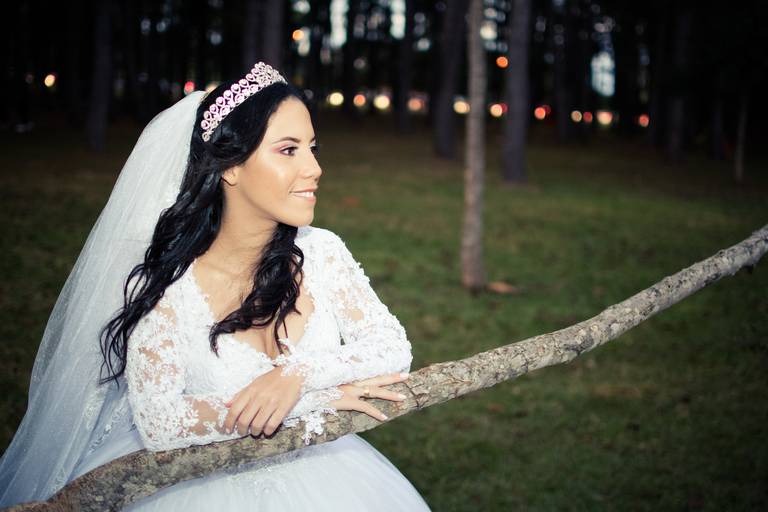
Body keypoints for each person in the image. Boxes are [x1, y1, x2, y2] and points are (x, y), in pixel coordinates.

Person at [0, 61, 431, 511]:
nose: (314, 168)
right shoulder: (168, 284)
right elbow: (160, 421)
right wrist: (315, 400)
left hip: (331, 478)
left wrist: (297, 376)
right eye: (288, 150)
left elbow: (391, 347)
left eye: (312, 148)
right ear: (231, 167)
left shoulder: (322, 252)